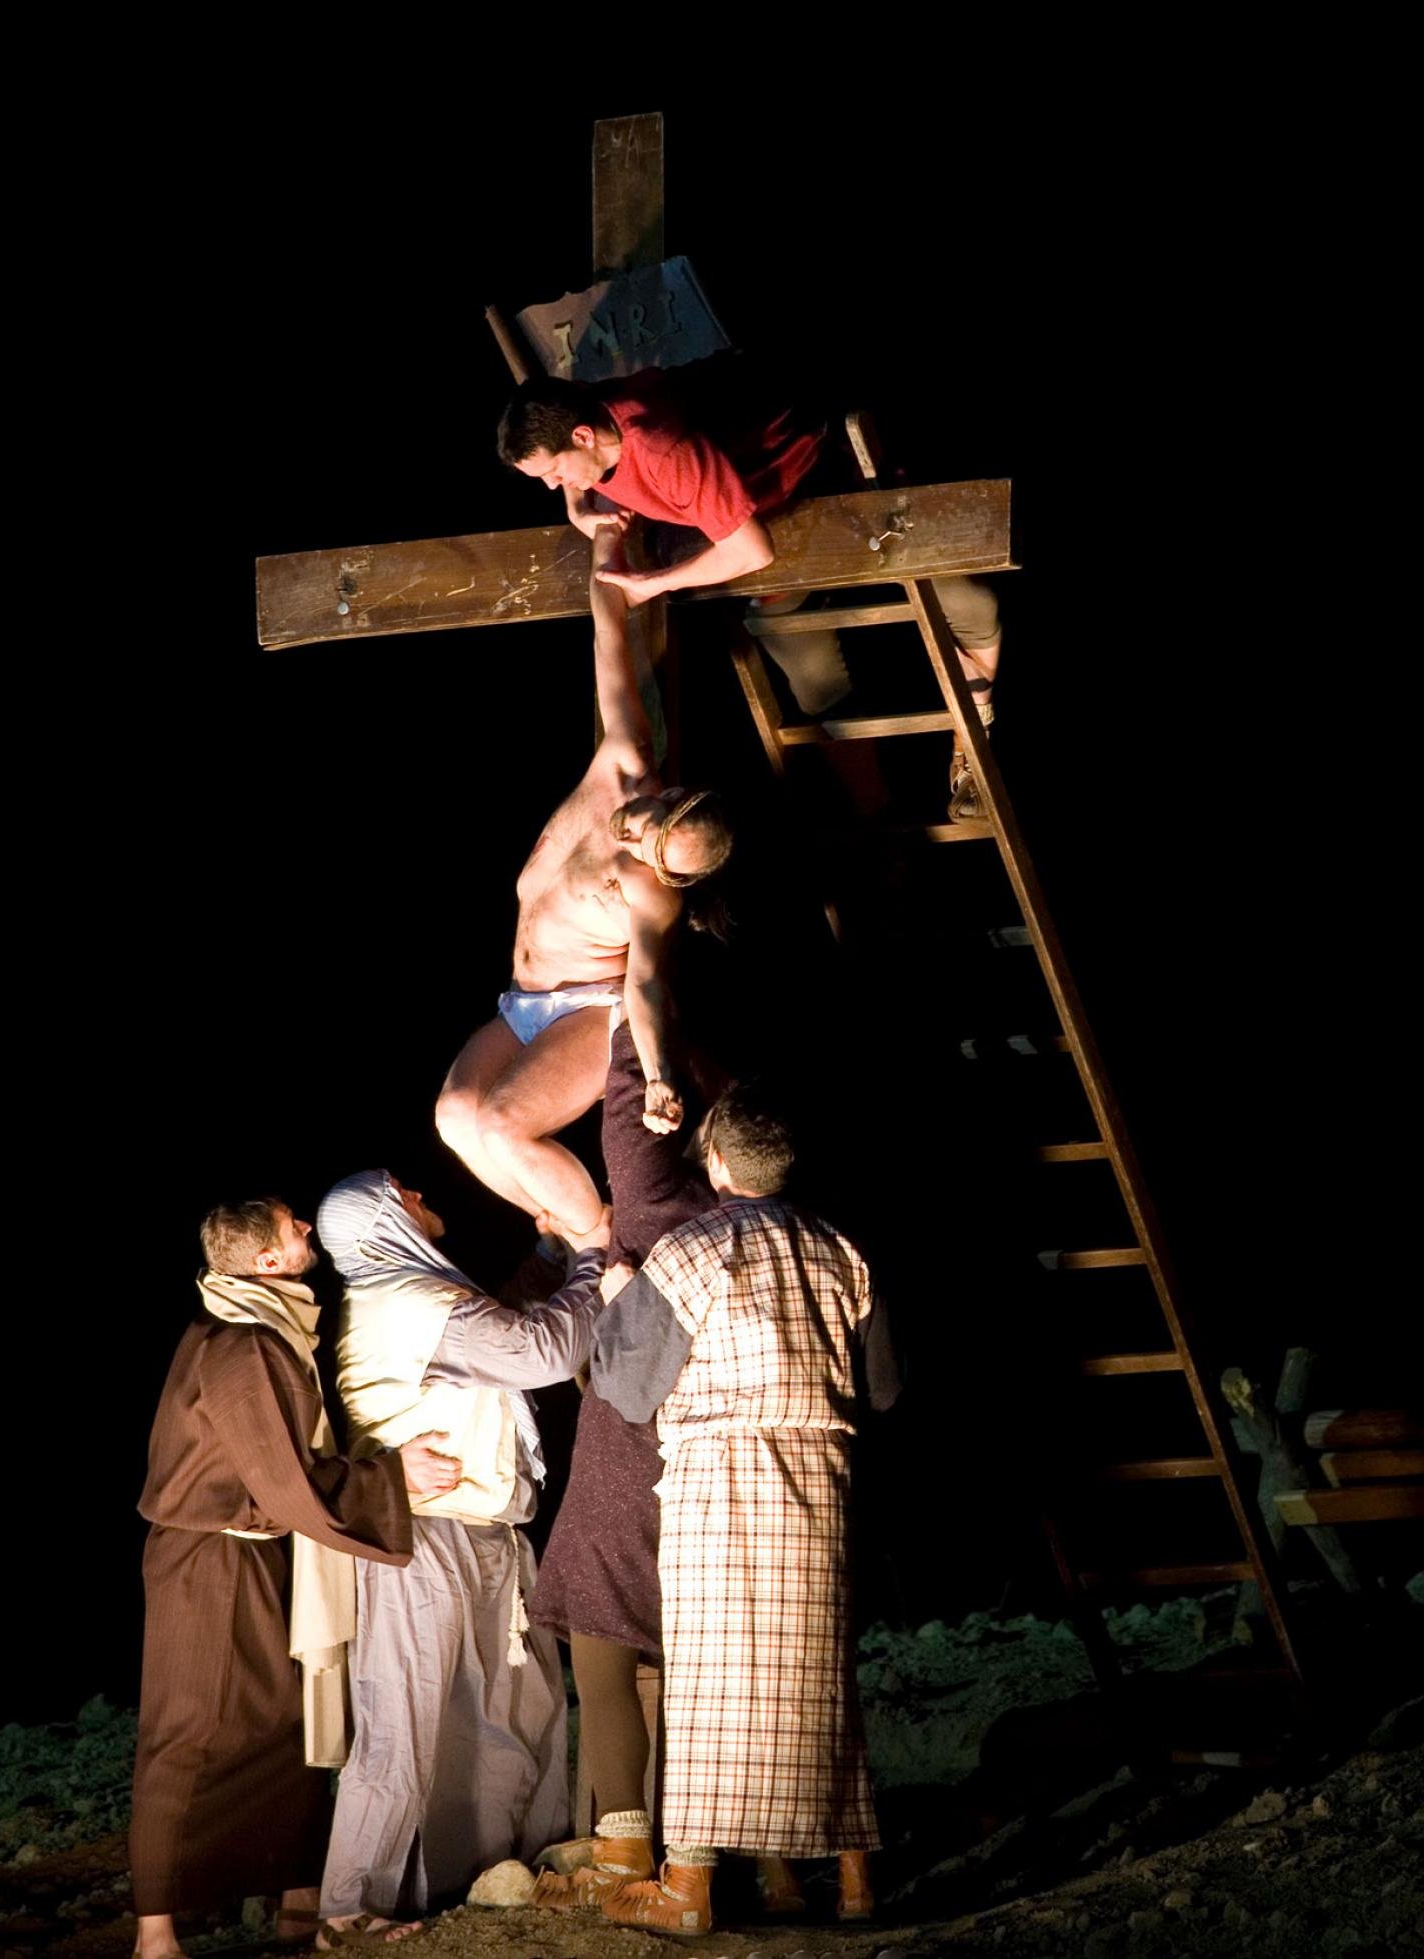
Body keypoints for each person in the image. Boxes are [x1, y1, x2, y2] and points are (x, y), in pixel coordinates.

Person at [578, 1086, 900, 1934]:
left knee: (715, 1678)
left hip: (720, 1476)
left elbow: (624, 1384)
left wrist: (618, 1299)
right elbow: (886, 1388)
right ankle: (857, 1879)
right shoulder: (844, 1251)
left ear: (716, 1163)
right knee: (817, 1672)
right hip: (823, 1474)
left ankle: (686, 1889)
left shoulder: (691, 1251)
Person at [132, 1198, 453, 1958]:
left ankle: (303, 1907)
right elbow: (285, 1480)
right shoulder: (244, 1344)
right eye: (293, 1227)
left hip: (258, 1551)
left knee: (290, 1726)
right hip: (210, 1561)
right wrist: (394, 1477)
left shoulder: (267, 1327)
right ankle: (155, 1935)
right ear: (268, 1262)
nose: (307, 1228)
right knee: (190, 1729)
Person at [498, 368, 1004, 818]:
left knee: (970, 603)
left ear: (584, 437)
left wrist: (651, 583)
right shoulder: (586, 409)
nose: (553, 484)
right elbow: (565, 433)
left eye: (554, 474)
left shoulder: (662, 452)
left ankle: (972, 729)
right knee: (808, 669)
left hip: (820, 483)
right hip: (759, 513)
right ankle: (877, 812)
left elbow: (750, 552)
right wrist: (577, 506)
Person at [314, 1171, 609, 1935]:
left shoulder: (410, 1292)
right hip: (430, 1539)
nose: (415, 1189)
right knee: (401, 1719)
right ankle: (351, 1905)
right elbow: (541, 1347)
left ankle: (510, 1870)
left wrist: (550, 1253)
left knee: (518, 1706)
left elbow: (504, 1316)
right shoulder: (405, 1302)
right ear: (383, 1215)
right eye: (398, 1189)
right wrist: (592, 1259)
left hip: (481, 1531)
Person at [430, 566, 735, 1237]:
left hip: (591, 1012)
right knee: (455, 1118)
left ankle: (594, 1240)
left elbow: (646, 983)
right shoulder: (622, 759)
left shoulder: (649, 890)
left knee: (504, 1126)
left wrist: (657, 1076)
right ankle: (566, 1226)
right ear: (663, 794)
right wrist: (606, 539)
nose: (636, 842)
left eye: (655, 854)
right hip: (523, 999)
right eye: (648, 825)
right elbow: (607, 632)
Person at [525, 1032, 731, 1910]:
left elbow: (626, 1375)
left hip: (631, 1455)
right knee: (699, 1667)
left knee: (606, 1662)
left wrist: (631, 1031)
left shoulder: (659, 1207)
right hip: (715, 1472)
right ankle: (710, 1856)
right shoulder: (761, 1225)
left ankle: (626, 1857)